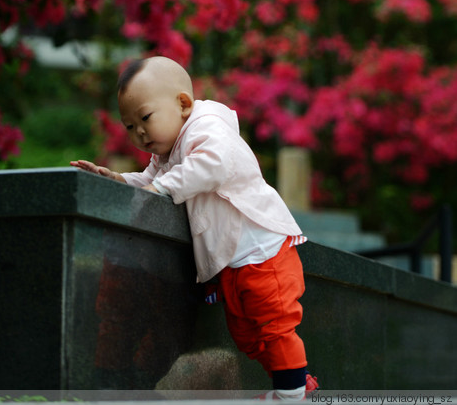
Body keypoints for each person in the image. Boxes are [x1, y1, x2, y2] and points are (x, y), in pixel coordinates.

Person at [71, 56, 318, 400]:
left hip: (262, 249)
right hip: (233, 259)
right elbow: (150, 181)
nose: (139, 132)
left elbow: (212, 165)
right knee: (247, 335)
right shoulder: (168, 153)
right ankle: (296, 379)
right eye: (129, 126)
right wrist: (118, 180)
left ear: (183, 104)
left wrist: (159, 188)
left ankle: (291, 393)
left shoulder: (208, 129)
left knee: (274, 324)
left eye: (145, 117)